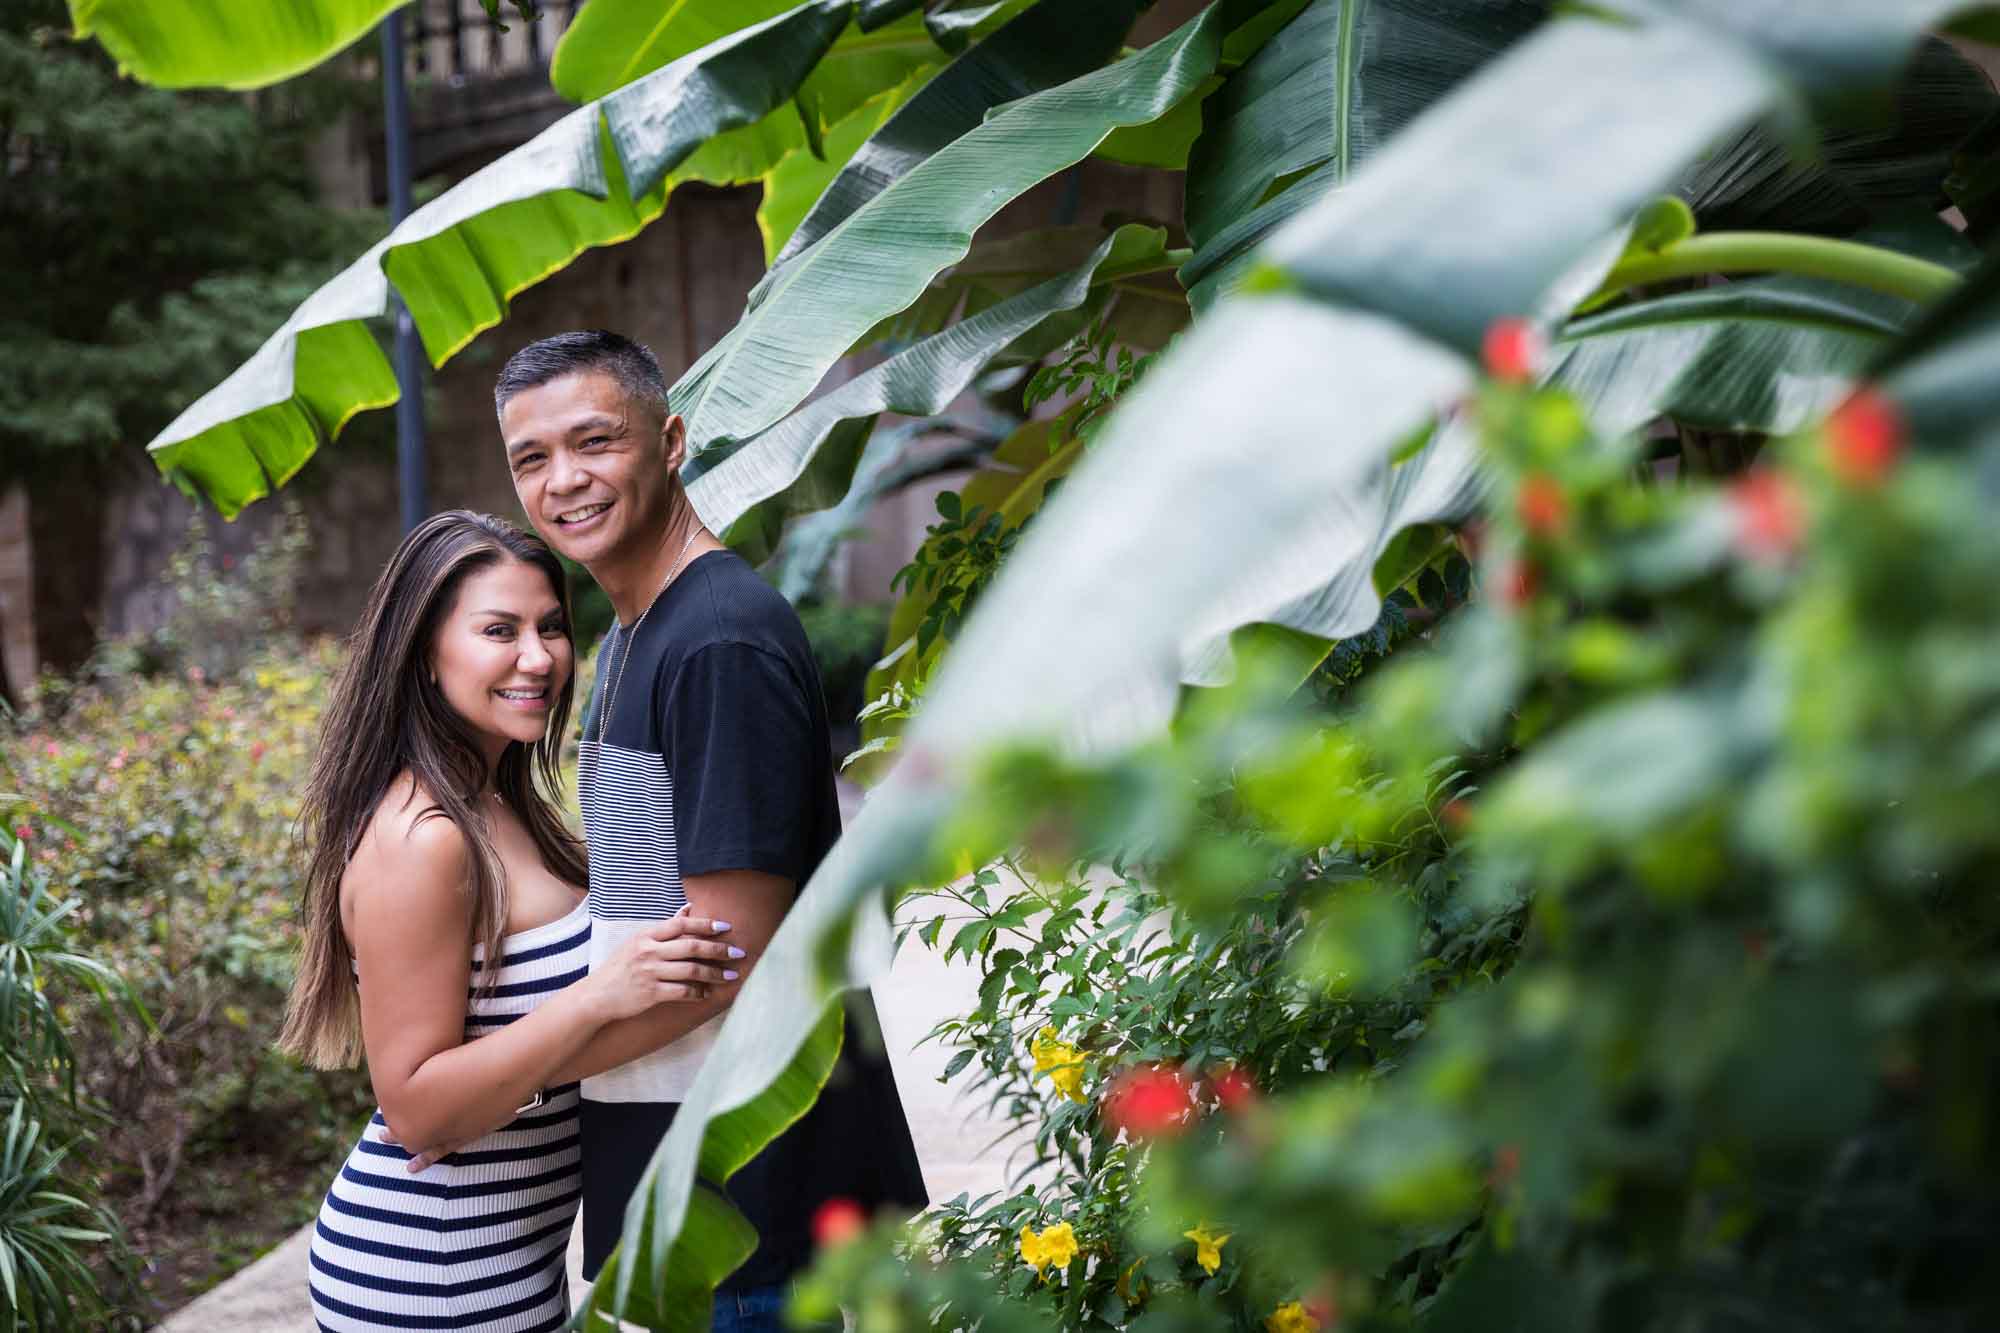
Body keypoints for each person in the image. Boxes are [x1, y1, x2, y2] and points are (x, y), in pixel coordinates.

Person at [492, 330, 928, 1329]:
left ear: (672, 440)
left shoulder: (717, 640)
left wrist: (503, 1070)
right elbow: (650, 922)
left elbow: (720, 958)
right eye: (531, 458)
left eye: (593, 441)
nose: (564, 480)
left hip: (754, 1195)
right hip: (690, 1177)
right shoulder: (639, 634)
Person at [280, 510, 742, 1332]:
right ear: (426, 651)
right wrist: (601, 996)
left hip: (506, 1265)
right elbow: (415, 1106)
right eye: (500, 629)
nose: (539, 658)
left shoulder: (500, 802)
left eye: (552, 627)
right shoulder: (422, 839)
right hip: (431, 1274)